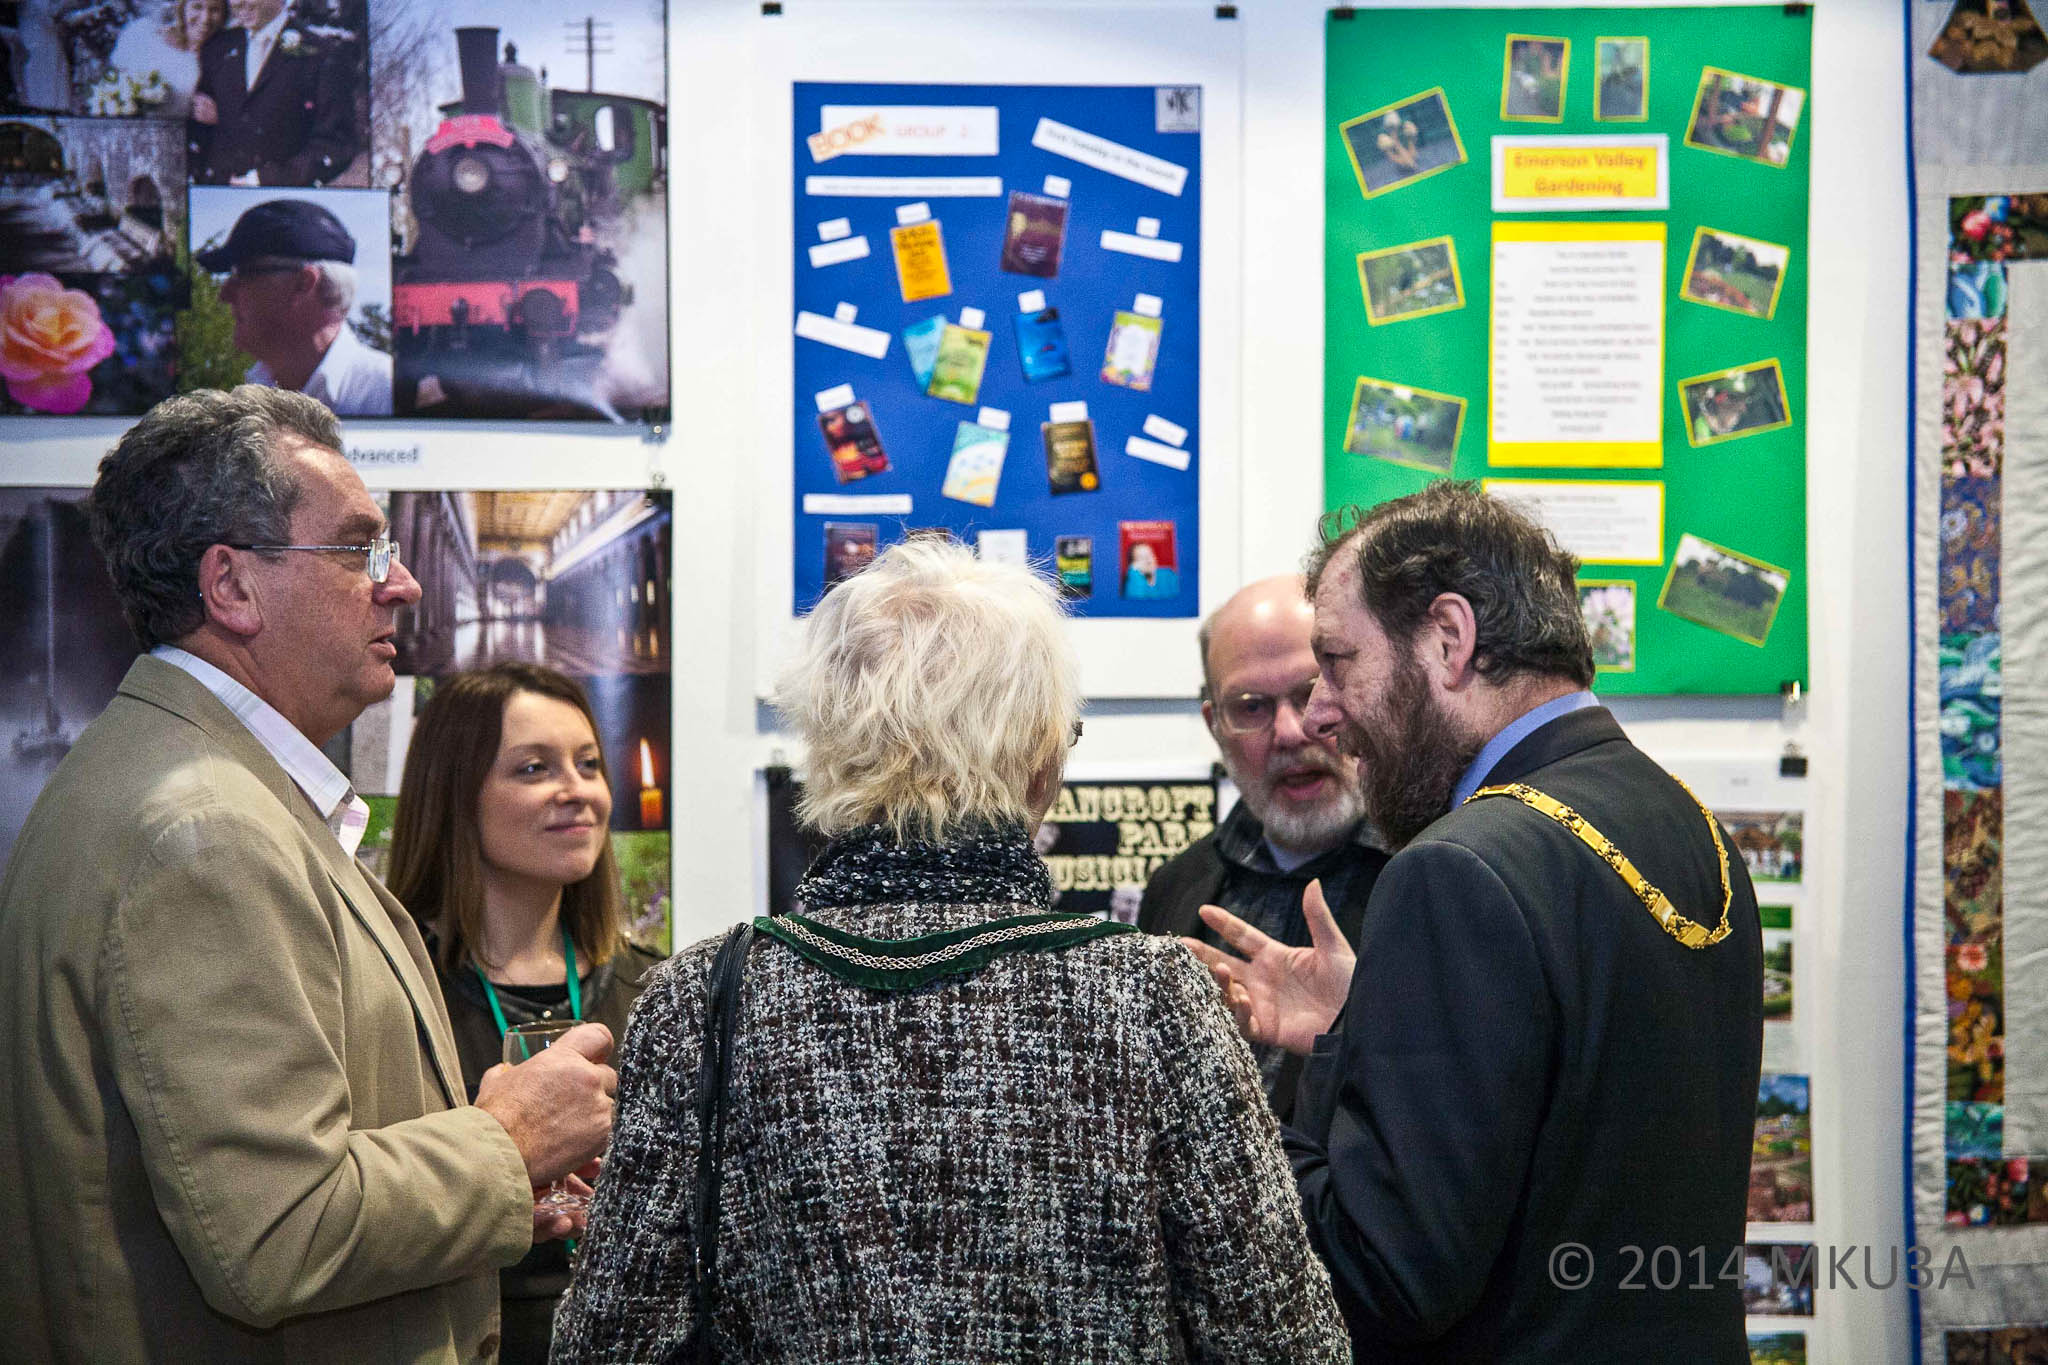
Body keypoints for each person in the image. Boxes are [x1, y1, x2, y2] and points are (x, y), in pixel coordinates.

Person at [554, 538, 1348, 1363]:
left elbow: (609, 1341)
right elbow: (1284, 1339)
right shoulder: (1154, 995)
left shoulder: (703, 996)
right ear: (1042, 757)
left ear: (828, 747)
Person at [0, 386, 618, 1363]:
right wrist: (505, 1141)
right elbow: (278, 1234)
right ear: (232, 588)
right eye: (360, 550)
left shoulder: (187, 787)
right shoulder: (202, 829)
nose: (402, 584)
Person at [1188, 482, 1763, 1362]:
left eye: (1338, 663)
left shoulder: (1456, 866)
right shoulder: (1690, 824)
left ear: (1449, 639)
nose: (1321, 714)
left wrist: (1219, 1112)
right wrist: (1361, 1027)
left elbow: (1388, 1275)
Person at [386, 662, 665, 1365]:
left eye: (590, 764)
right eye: (535, 767)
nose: (577, 791)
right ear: (456, 794)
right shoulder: (395, 993)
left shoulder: (660, 991)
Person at [1138, 574, 1389, 1123]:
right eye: (1251, 707)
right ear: (1215, 727)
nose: (1291, 731)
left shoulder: (1429, 876)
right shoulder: (1177, 889)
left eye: (1310, 692)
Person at [197, 197, 394, 415]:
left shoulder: (387, 392)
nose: (224, 295)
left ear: (303, 284)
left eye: (244, 274)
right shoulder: (247, 396)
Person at [189, 0, 358, 186]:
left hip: (280, 200)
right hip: (213, 198)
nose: (238, 2)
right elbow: (199, 130)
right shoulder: (217, 49)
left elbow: (336, 145)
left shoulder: (321, 54)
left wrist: (265, 179)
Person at [105, 0, 224, 119]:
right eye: (197, 7)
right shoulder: (142, 33)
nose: (205, 19)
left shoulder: (223, 57)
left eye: (214, 10)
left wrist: (219, 117)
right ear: (182, 7)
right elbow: (111, 83)